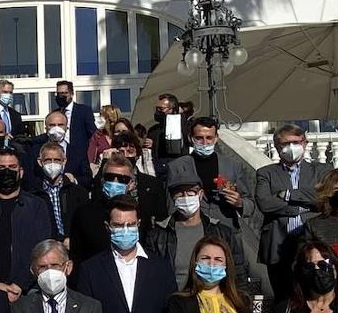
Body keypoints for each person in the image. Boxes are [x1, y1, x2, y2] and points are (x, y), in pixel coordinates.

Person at [145, 156, 253, 294]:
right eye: (180, 193)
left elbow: (238, 274)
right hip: (174, 305)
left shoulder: (221, 232)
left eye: (191, 192)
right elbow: (151, 277)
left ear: (200, 195)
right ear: (172, 197)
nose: (186, 197)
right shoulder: (158, 235)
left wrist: (242, 304)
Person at [0, 148, 53, 304]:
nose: (6, 172)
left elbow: (43, 249)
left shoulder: (36, 206)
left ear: (21, 172)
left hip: (28, 291)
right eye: (1, 168)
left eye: (12, 167)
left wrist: (20, 284)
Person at [255, 124, 328, 301]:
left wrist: (287, 195)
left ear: (305, 143)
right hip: (278, 244)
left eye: (295, 142)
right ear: (277, 147)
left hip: (312, 243)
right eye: (285, 144)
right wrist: (301, 207)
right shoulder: (266, 173)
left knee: (315, 295)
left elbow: (323, 198)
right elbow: (265, 203)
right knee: (283, 298)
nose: (291, 147)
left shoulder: (322, 170)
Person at [68, 153, 163, 265]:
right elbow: (77, 257)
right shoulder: (84, 214)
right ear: (103, 180)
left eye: (122, 179)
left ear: (131, 184)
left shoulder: (140, 212)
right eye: (110, 177)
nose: (115, 182)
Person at [188, 116, 254, 229]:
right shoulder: (178, 166)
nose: (205, 143)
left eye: (209, 137)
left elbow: (250, 203)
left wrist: (239, 203)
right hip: (193, 228)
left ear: (216, 138)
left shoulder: (233, 166)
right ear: (191, 138)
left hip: (225, 228)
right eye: (199, 138)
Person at [31, 84, 94, 185]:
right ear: (46, 128)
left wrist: (73, 180)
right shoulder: (36, 151)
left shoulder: (79, 152)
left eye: (60, 125)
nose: (56, 128)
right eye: (52, 125)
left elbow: (88, 179)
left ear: (66, 127)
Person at [28, 141, 88, 242]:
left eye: (56, 160)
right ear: (40, 162)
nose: (52, 164)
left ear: (64, 161)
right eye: (47, 160)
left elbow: (84, 223)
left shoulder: (79, 193)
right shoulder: (33, 194)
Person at [145, 93, 184, 160]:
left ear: (173, 109)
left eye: (161, 108)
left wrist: (155, 144)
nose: (158, 111)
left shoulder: (184, 127)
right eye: (157, 108)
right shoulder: (153, 130)